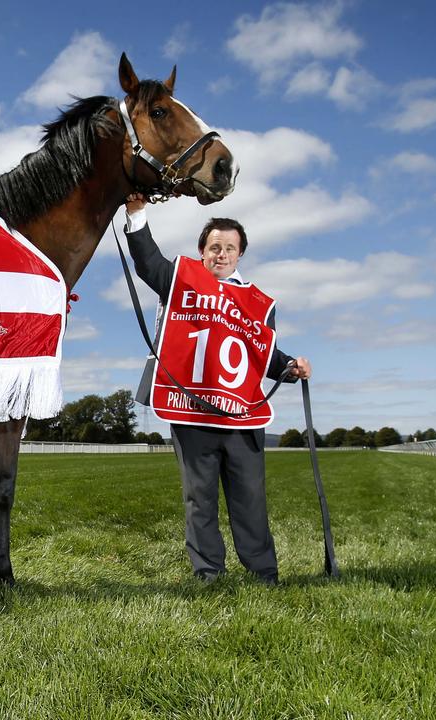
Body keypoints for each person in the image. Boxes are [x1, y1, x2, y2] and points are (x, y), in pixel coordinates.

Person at [122, 195, 312, 584]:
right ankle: (208, 573)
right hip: (192, 411)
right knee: (200, 499)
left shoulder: (260, 302)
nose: (221, 254)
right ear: (202, 251)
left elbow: (265, 353)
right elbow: (147, 261)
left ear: (240, 254)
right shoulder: (178, 278)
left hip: (242, 416)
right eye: (215, 247)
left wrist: (291, 367)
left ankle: (263, 573)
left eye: (230, 248)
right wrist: (137, 213)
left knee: (250, 499)